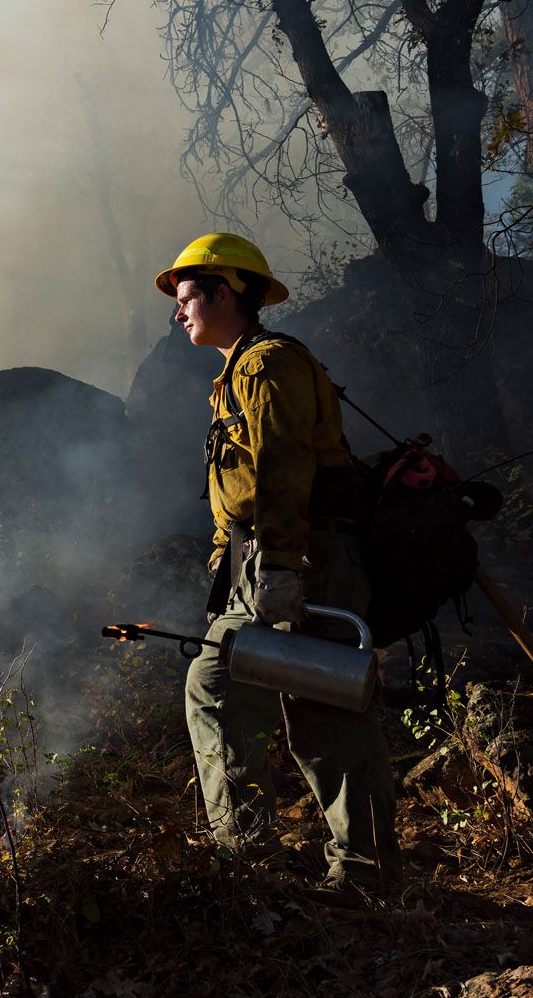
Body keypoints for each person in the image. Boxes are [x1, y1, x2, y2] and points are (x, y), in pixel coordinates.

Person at [155, 232, 399, 892]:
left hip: (303, 555)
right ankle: (254, 859)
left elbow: (282, 466)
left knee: (317, 707)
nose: (178, 311)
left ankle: (356, 874)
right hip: (265, 556)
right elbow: (240, 487)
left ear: (225, 292)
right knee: (226, 686)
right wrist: (228, 560)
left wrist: (283, 566)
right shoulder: (237, 373)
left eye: (186, 297)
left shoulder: (267, 365)